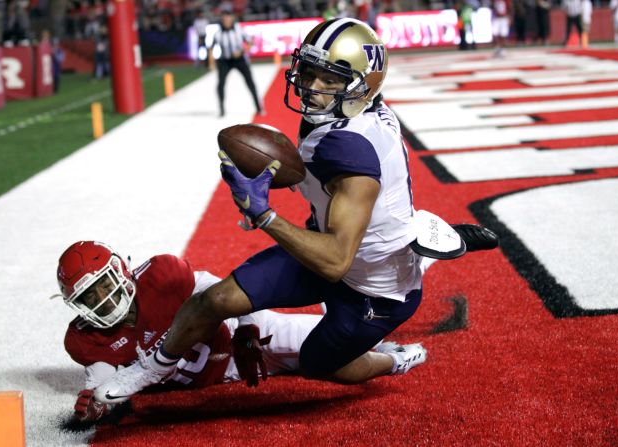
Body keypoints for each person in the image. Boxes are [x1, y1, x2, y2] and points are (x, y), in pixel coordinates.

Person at [93, 18, 499, 404]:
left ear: (363, 87)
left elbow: (337, 261)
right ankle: (150, 369)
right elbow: (319, 177)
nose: (311, 88)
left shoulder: (351, 150)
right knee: (214, 300)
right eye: (308, 72)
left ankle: (396, 357)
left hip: (374, 286)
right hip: (348, 238)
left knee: (319, 364)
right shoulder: (350, 111)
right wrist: (273, 176)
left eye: (330, 79)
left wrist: (264, 214)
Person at [54, 241, 428, 422]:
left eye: (102, 285)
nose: (101, 300)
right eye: (89, 296)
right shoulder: (86, 339)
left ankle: (389, 354)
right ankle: (391, 357)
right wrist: (96, 406)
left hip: (249, 334)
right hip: (223, 375)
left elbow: (224, 295)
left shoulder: (162, 276)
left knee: (335, 356)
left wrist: (247, 328)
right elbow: (101, 381)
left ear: (121, 272)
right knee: (330, 364)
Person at [208, 9, 264, 117]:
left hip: (240, 59)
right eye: (224, 19)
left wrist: (242, 51)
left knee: (250, 82)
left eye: (228, 18)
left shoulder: (239, 29)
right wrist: (211, 62)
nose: (226, 21)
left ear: (232, 18)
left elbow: (250, 42)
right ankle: (222, 109)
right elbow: (210, 48)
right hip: (225, 60)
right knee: (220, 84)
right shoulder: (218, 33)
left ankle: (259, 108)